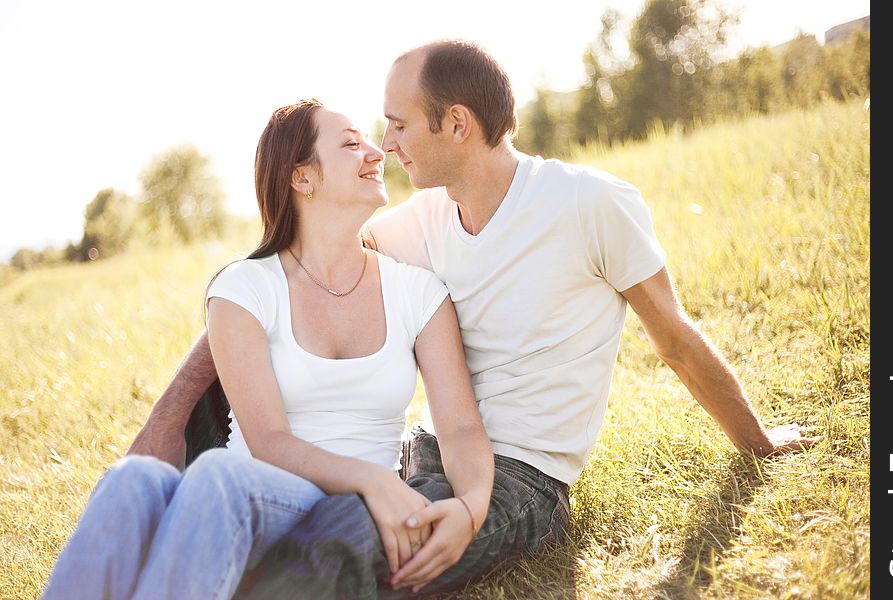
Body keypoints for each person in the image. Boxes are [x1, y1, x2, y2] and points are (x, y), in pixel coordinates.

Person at [128, 41, 818, 598]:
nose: (385, 145)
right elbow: (282, 282)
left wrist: (756, 441)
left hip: (521, 482)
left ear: (456, 124)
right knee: (249, 420)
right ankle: (162, 529)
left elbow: (674, 340)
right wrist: (164, 420)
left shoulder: (589, 205)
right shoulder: (423, 221)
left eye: (398, 125)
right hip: (419, 452)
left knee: (330, 552)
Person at [41, 98, 493, 600]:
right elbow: (268, 442)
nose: (376, 151)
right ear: (303, 178)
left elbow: (461, 427)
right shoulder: (243, 288)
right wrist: (374, 479)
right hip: (260, 493)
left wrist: (472, 507)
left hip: (336, 512)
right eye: (350, 143)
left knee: (214, 476)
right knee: (132, 481)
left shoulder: (418, 291)